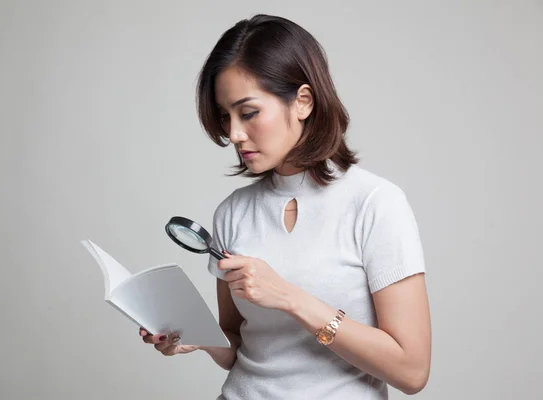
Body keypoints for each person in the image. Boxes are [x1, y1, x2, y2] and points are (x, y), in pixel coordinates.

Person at [139, 14, 431, 399]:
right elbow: (238, 347)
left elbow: (411, 371)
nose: (235, 134)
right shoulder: (233, 212)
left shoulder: (375, 204)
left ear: (303, 102)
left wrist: (290, 298)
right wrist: (194, 338)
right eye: (225, 117)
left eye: (248, 113)